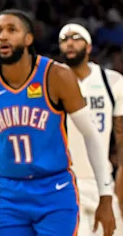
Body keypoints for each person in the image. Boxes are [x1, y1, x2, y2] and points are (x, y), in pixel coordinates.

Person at [0, 9, 116, 235]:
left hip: (54, 189)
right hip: (9, 193)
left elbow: (91, 135)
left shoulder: (57, 76)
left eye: (11, 30)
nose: (3, 36)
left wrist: (105, 196)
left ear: (28, 39)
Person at [58, 21, 123, 236]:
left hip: (101, 180)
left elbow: (120, 136)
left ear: (88, 47)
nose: (69, 43)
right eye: (64, 40)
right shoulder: (51, 83)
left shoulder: (112, 81)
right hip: (63, 180)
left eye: (76, 38)